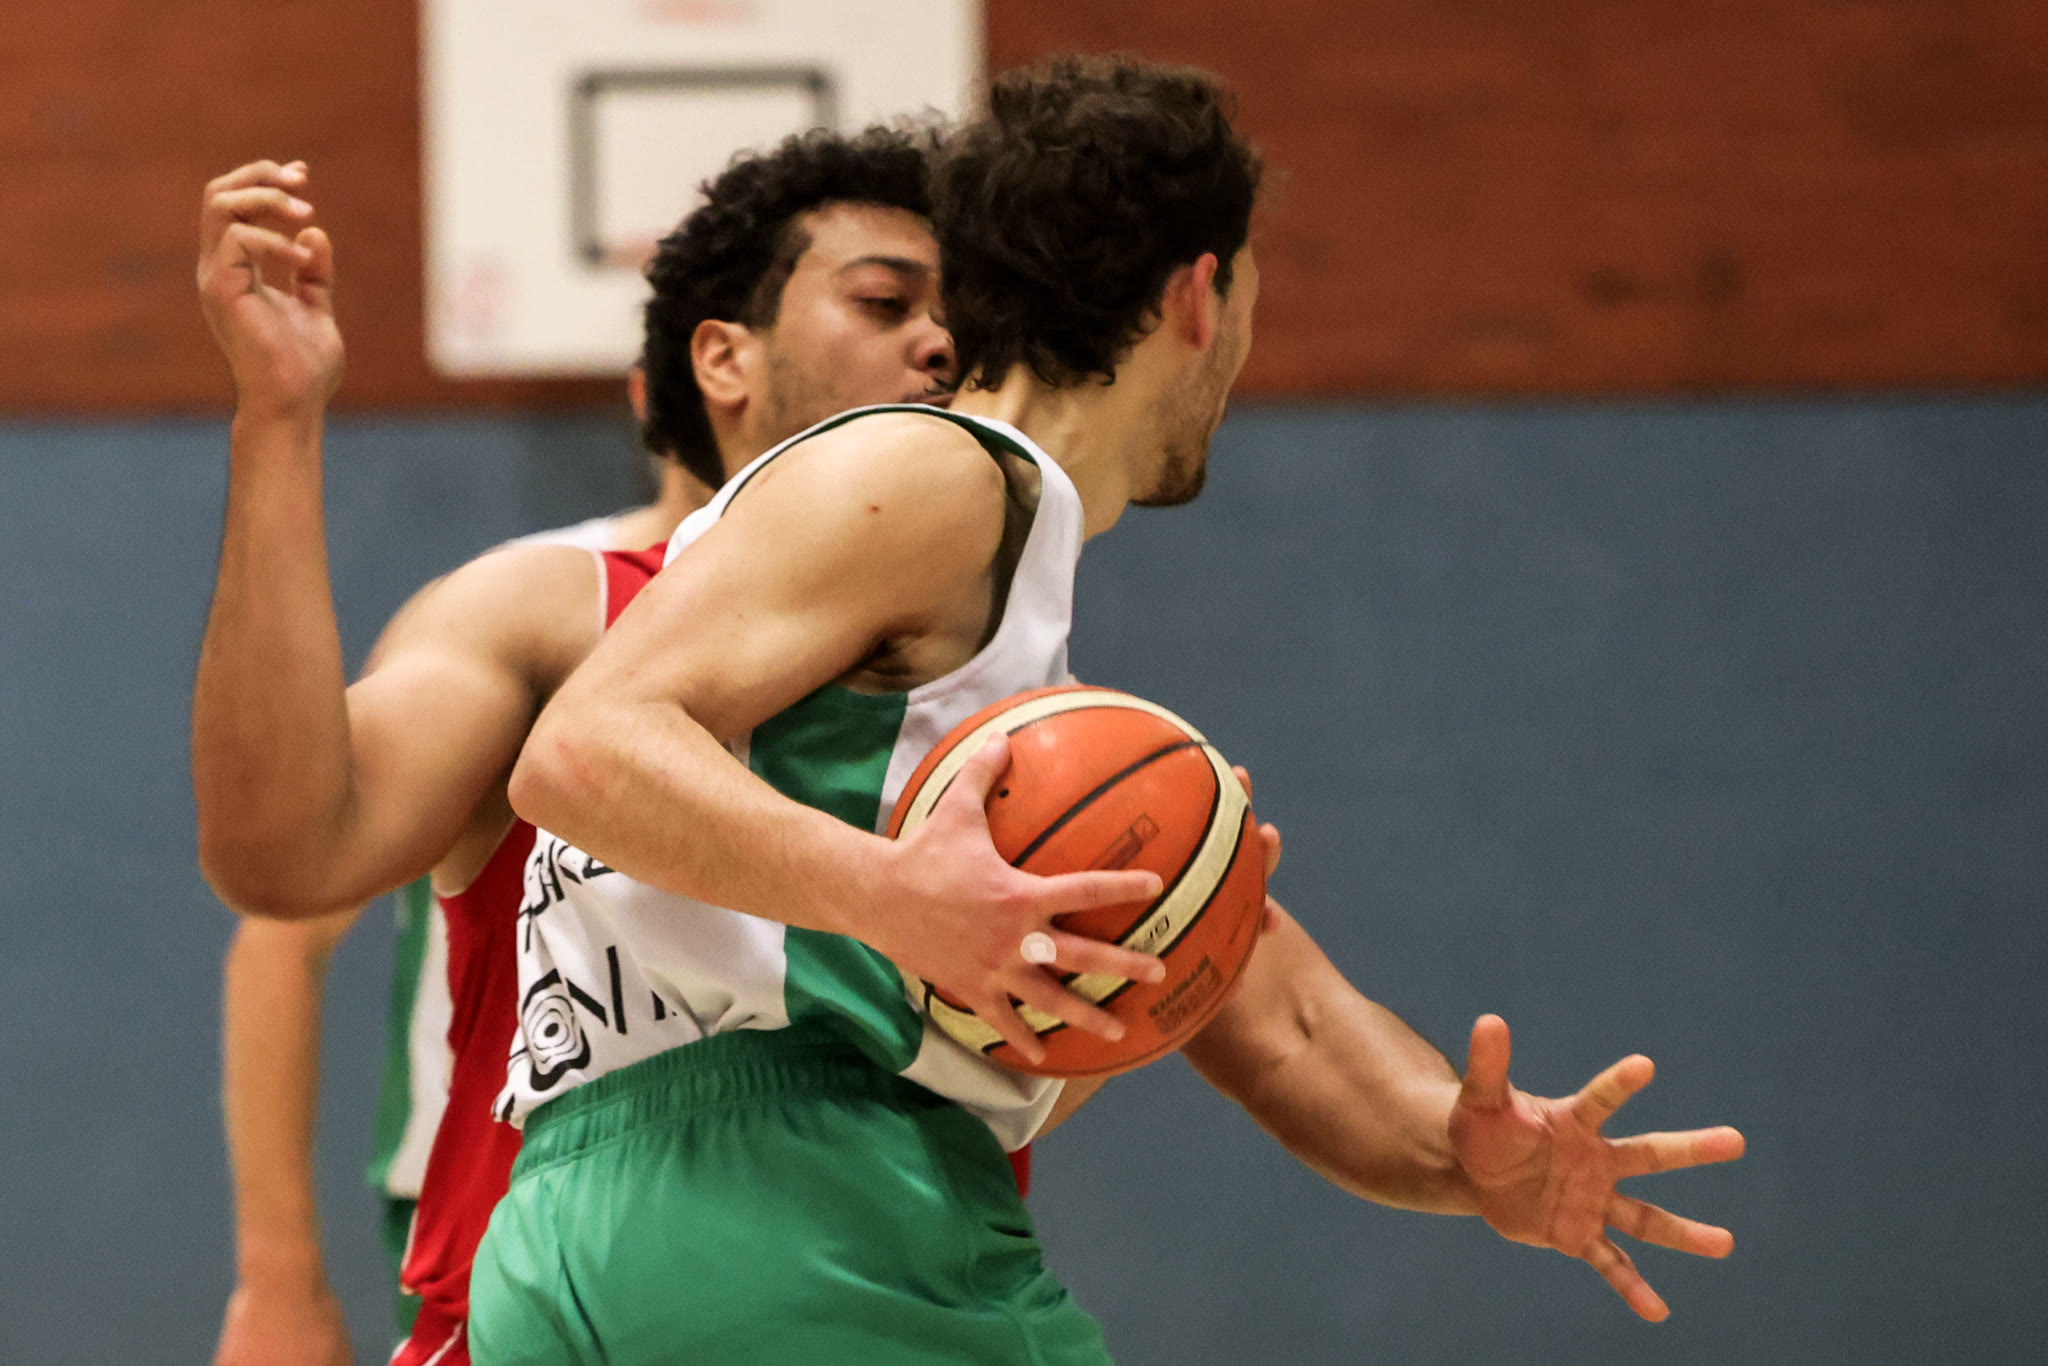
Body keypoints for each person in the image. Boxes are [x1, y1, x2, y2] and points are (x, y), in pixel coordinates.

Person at [484, 55, 1744, 1365]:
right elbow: (581, 750)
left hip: (583, 1236)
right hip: (808, 1211)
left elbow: (1281, 1017)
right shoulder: (946, 477)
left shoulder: (1004, 712)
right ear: (1200, 294)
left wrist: (1465, 1156)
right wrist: (891, 895)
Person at [193, 125, 968, 1366]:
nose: (939, 344)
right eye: (885, 302)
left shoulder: (983, 672)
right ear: (718, 359)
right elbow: (283, 866)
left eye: (959, 321)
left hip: (876, 1307)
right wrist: (278, 420)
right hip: (535, 1279)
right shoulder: (546, 611)